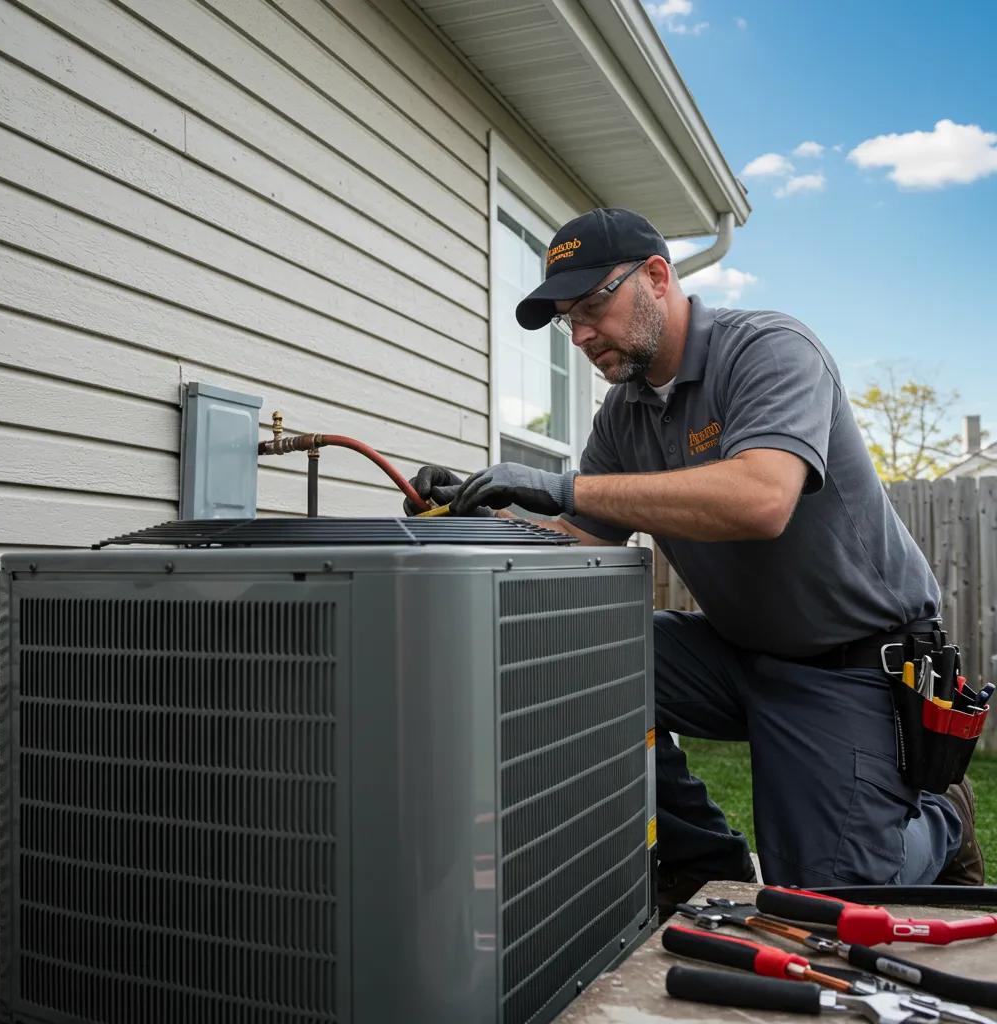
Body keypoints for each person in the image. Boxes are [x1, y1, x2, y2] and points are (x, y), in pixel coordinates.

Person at [404, 207, 983, 907]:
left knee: (830, 904)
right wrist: (486, 513)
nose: (582, 333)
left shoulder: (768, 350)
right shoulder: (624, 414)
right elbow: (583, 535)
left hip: (852, 664)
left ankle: (943, 819)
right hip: (735, 653)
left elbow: (762, 500)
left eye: (592, 305)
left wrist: (554, 483)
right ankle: (701, 856)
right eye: (568, 318)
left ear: (656, 277)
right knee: (556, 653)